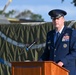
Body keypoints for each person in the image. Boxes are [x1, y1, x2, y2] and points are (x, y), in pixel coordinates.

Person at [40, 9, 76, 75]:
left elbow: (74, 52)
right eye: (54, 19)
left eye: (58, 18)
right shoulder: (50, 34)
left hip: (67, 70)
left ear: (63, 19)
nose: (56, 21)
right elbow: (47, 53)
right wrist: (38, 63)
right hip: (53, 71)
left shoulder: (71, 33)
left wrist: (62, 62)